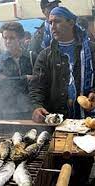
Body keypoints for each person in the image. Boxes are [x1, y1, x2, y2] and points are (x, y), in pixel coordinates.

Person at [30, 7, 95, 185]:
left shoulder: (90, 50)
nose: (53, 26)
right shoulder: (46, 54)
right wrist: (36, 105)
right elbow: (37, 85)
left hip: (85, 122)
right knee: (56, 168)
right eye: (50, 22)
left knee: (82, 166)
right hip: (58, 123)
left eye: (57, 21)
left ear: (71, 22)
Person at [0, 22, 34, 119]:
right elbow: (0, 82)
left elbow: (37, 81)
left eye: (12, 38)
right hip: (8, 110)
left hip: (29, 108)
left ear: (21, 39)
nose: (8, 41)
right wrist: (24, 78)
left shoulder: (31, 57)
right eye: (5, 38)